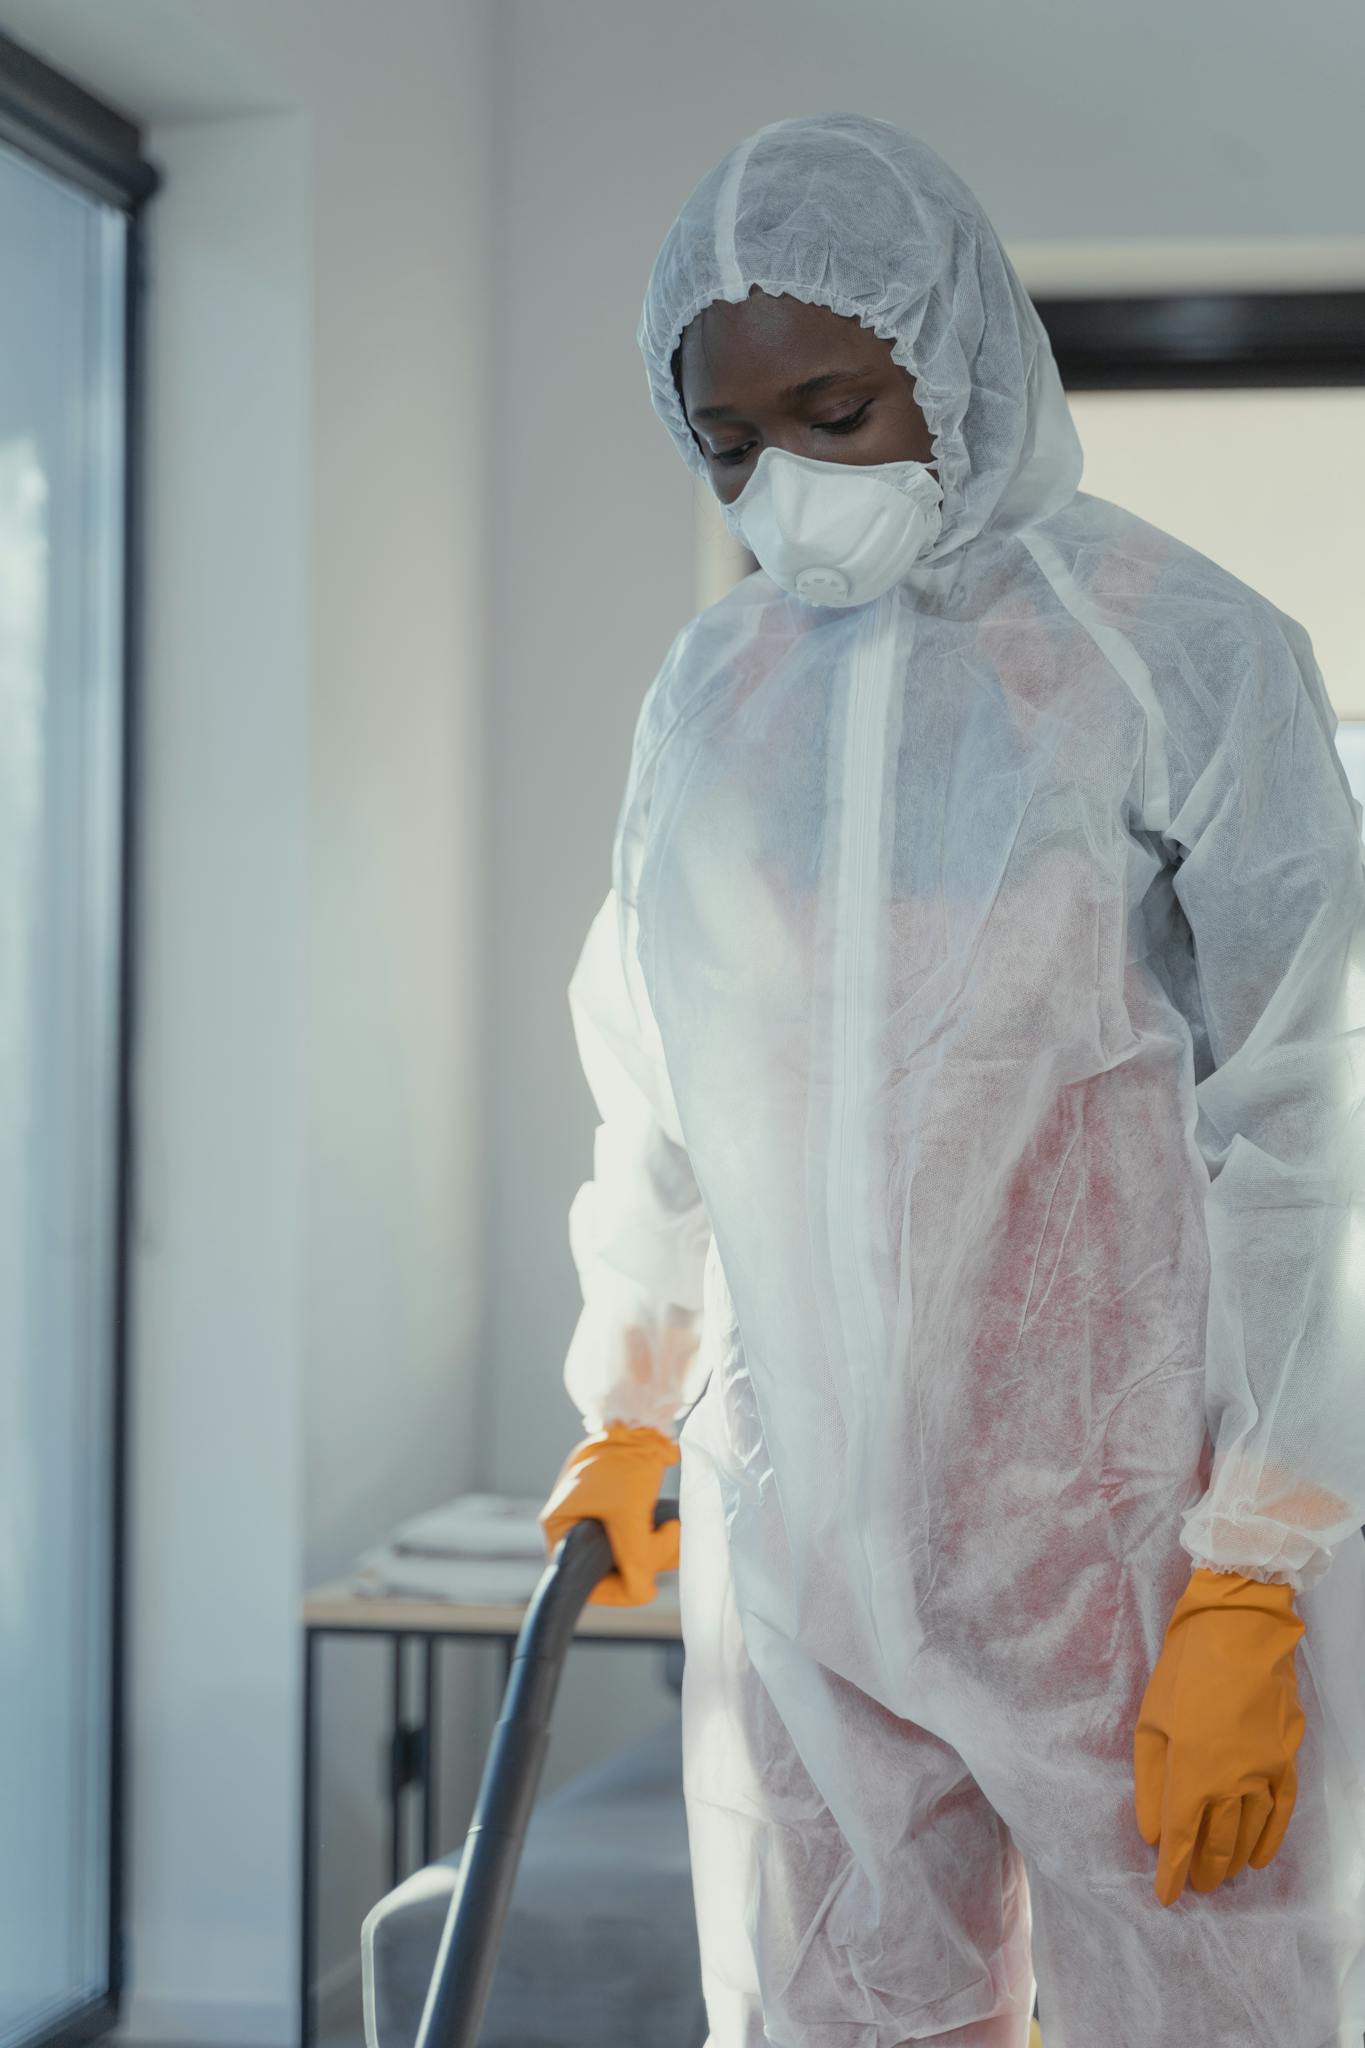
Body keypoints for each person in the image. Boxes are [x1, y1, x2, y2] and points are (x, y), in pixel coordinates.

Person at [538, 112, 1365, 2047]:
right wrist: (633, 1395)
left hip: (1122, 1560)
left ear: (959, 358)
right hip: (802, 1547)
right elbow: (654, 1062)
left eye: (834, 408)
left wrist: (1260, 1554)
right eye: (731, 445)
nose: (786, 483)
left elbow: (1316, 1108)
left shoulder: (1181, 655)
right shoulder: (711, 695)